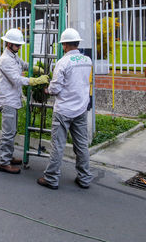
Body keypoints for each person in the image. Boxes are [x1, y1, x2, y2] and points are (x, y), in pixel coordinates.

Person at [37, 28, 93, 190]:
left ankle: (51, 178)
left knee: (58, 145)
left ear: (66, 45)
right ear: (77, 43)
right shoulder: (87, 61)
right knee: (81, 145)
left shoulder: (63, 63)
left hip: (63, 110)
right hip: (81, 109)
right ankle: (84, 178)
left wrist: (47, 89)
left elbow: (55, 88)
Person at [0, 28, 48, 174]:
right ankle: (3, 162)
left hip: (13, 99)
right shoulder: (5, 59)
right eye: (17, 45)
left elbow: (22, 65)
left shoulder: (12, 56)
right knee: (8, 132)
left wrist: (33, 67)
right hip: (8, 101)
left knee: (12, 131)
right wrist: (35, 80)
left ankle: (8, 156)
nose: (19, 47)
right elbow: (16, 79)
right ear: (9, 43)